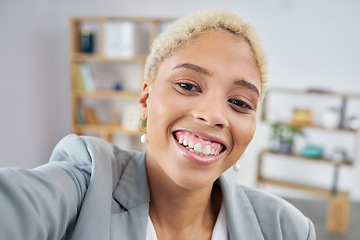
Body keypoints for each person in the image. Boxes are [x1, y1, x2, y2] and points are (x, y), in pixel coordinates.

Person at [0, 9, 315, 240]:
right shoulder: (84, 184)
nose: (214, 114)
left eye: (240, 103)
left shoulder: (288, 229)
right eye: (188, 86)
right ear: (145, 99)